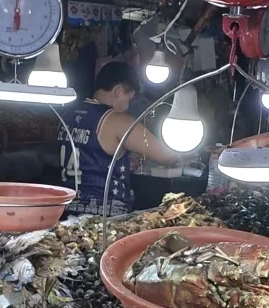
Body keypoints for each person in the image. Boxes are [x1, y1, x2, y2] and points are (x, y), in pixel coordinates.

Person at [60, 61, 185, 215]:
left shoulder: (69, 114)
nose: (127, 107)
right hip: (103, 217)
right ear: (118, 91)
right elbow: (166, 156)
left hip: (67, 210)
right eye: (128, 99)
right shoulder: (116, 120)